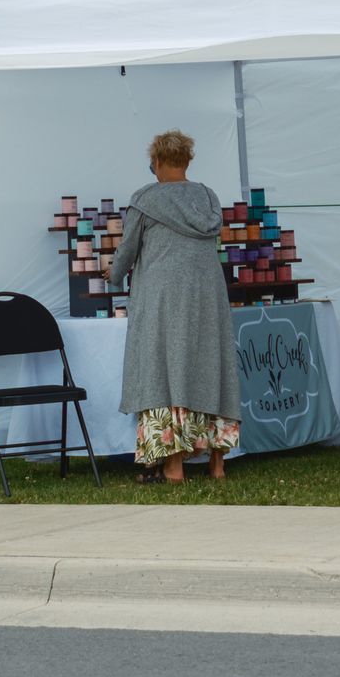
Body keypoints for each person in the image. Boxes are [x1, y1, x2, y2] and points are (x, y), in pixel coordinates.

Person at [108, 130, 241, 484]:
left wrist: (113, 275)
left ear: (156, 162)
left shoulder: (145, 200)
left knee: (162, 369)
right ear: (187, 161)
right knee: (210, 363)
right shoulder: (207, 198)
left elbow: (128, 248)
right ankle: (217, 463)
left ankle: (173, 464)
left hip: (163, 297)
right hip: (206, 295)